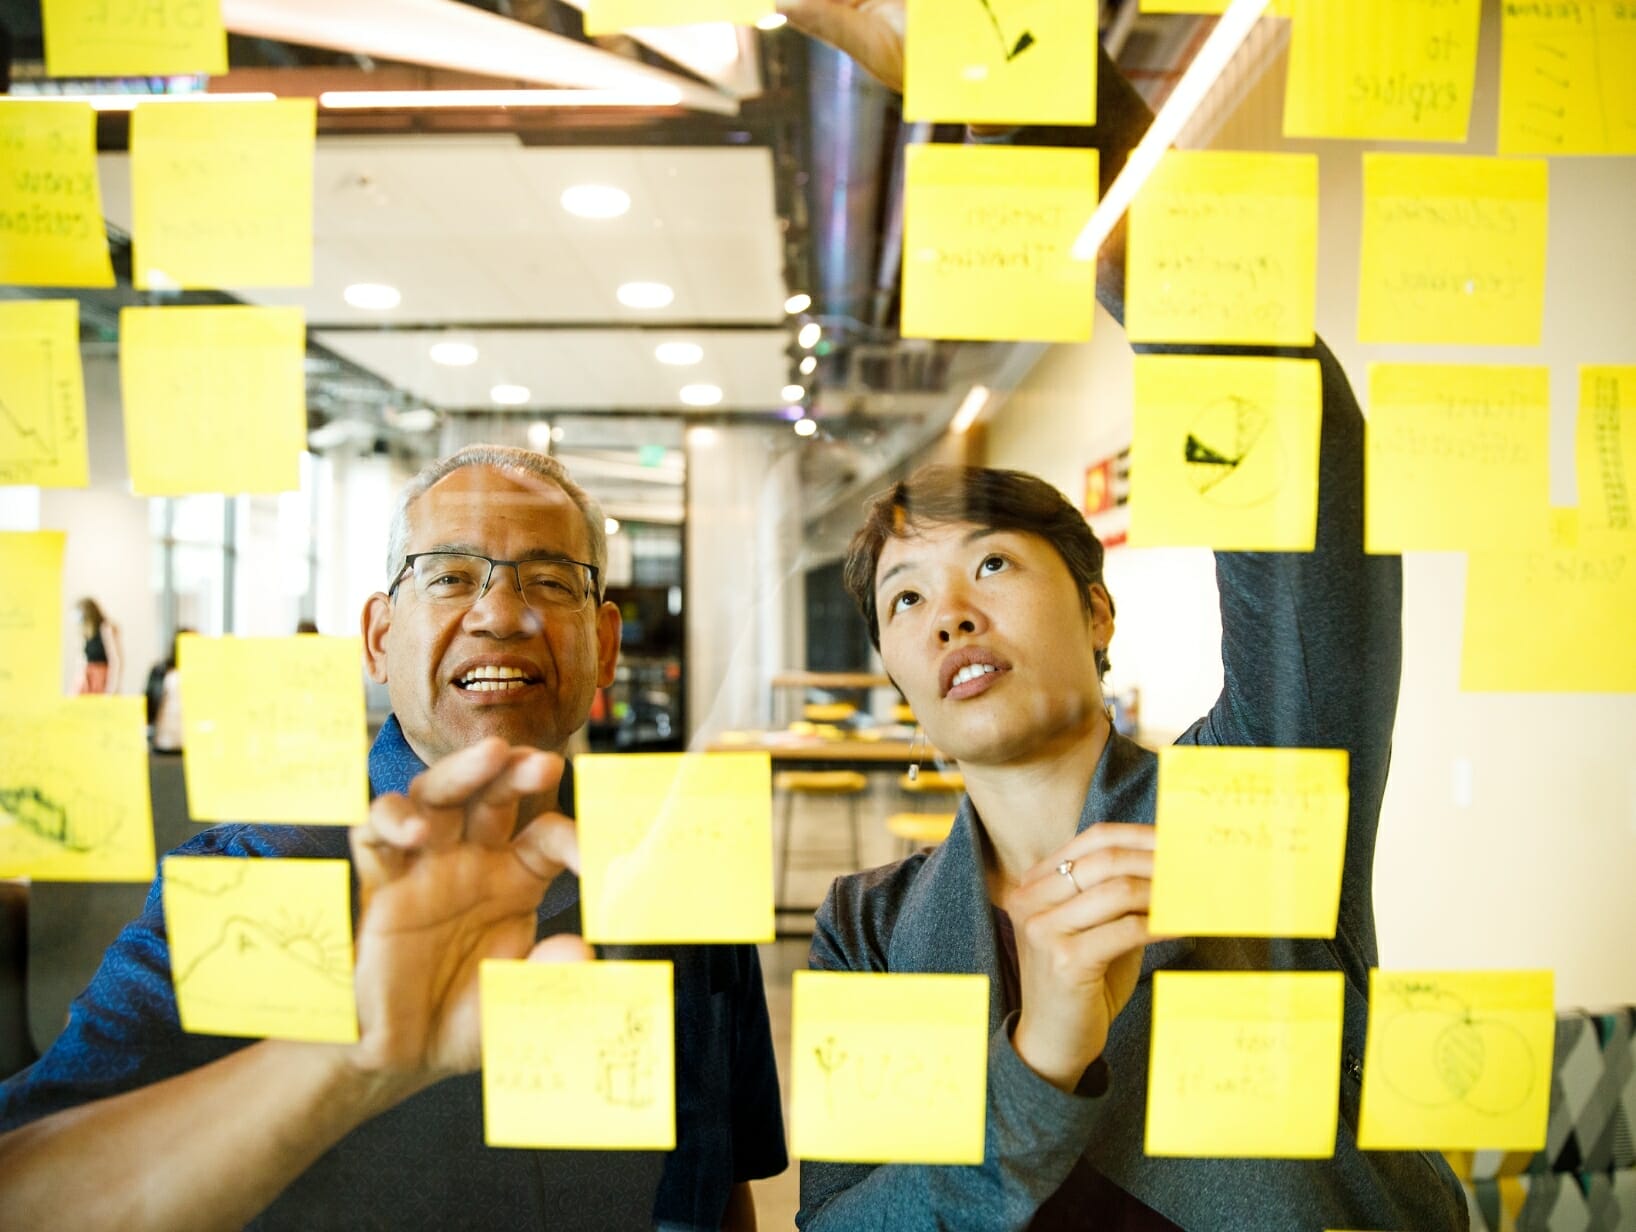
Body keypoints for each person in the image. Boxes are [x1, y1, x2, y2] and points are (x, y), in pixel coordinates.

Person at [782, 2, 1468, 1229]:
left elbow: (1294, 440)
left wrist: (1010, 81)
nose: (946, 613)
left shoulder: (1251, 798)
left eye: (992, 566)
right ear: (893, 670)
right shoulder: (873, 925)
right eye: (905, 596)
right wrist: (1039, 1059)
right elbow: (844, 1222)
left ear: (1096, 610)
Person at [0, 446, 787, 1230]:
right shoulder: (258, 874)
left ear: (605, 645)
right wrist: (349, 1063)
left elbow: (719, 1189)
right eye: (448, 577)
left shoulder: (675, 873)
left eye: (550, 581)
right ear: (379, 637)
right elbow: (25, 1189)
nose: (502, 615)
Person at [144, 628, 190, 753]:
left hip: (188, 744)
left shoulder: (202, 675)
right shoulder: (162, 672)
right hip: (167, 742)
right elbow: (148, 707)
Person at [74, 598, 121, 695]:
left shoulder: (106, 628)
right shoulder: (87, 633)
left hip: (102, 680)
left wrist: (111, 689)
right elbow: (82, 660)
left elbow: (115, 660)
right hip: (88, 681)